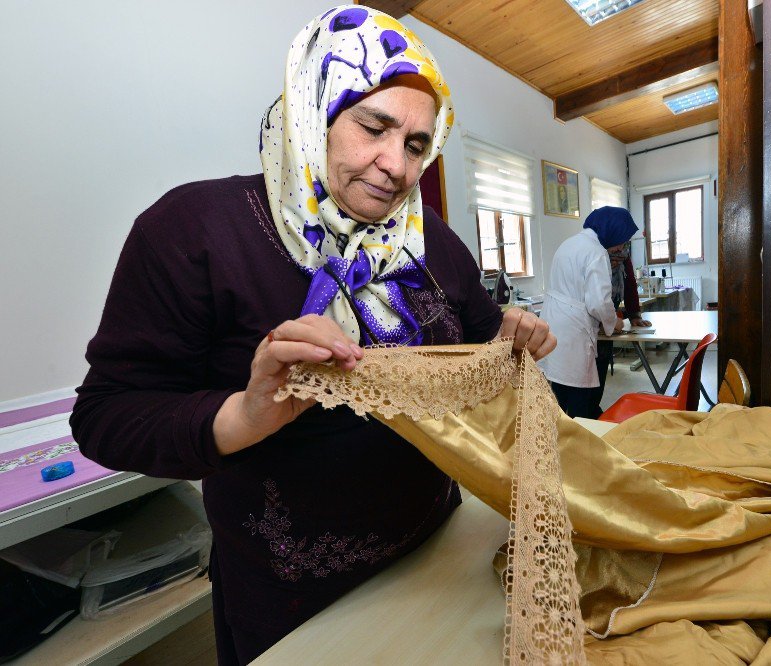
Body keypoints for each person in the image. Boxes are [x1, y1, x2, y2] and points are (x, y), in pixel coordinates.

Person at [68, 7, 554, 664]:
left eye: (415, 145)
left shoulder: (428, 241)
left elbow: (475, 340)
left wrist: (510, 336)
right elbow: (107, 416)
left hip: (439, 547)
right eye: (373, 127)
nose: (395, 166)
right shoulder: (193, 232)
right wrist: (244, 414)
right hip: (295, 600)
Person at [537, 206, 637, 418]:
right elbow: (599, 303)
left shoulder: (569, 243)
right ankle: (580, 443)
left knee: (560, 393)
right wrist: (615, 323)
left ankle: (558, 441)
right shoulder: (596, 252)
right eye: (623, 240)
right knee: (580, 398)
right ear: (613, 232)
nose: (621, 247)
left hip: (553, 326)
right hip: (574, 332)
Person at [595, 239, 651, 410]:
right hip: (590, 319)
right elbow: (595, 293)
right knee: (588, 374)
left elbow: (630, 283)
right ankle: (586, 413)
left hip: (608, 314)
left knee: (602, 362)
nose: (621, 248)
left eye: (624, 244)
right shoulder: (595, 254)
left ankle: (593, 409)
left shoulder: (623, 256)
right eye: (618, 243)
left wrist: (634, 314)